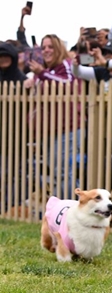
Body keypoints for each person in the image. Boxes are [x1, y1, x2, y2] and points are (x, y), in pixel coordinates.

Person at [24, 34, 81, 198]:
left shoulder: (66, 64)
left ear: (59, 48)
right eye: (43, 47)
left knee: (64, 171)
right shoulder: (47, 70)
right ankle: (63, 209)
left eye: (50, 47)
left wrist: (41, 73)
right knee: (56, 172)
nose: (46, 50)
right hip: (50, 130)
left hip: (68, 128)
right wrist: (33, 79)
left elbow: (68, 84)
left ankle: (71, 207)